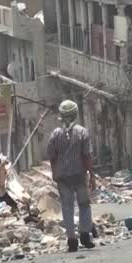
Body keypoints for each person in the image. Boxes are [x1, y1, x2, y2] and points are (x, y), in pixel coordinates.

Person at [46, 100, 96, 252]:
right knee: (84, 205)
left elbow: (51, 155)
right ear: (76, 114)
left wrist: (55, 173)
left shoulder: (55, 134)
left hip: (63, 177)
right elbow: (87, 156)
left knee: (67, 207)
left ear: (61, 116)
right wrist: (92, 174)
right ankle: (85, 234)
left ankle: (72, 240)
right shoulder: (82, 132)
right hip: (79, 175)